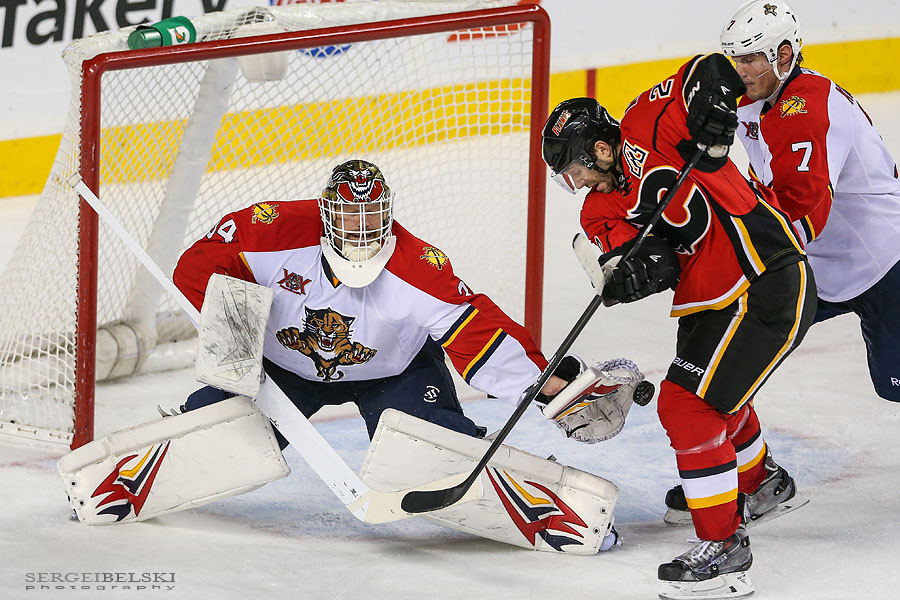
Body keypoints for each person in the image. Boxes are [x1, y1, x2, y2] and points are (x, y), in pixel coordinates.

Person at [541, 52, 816, 598]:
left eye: (576, 168)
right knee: (714, 398)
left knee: (687, 405)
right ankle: (760, 485)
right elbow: (652, 264)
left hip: (763, 272)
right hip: (710, 298)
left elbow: (708, 69)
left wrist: (715, 109)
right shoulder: (596, 212)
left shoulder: (648, 122)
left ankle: (724, 546)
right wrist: (624, 277)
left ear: (600, 147)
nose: (575, 181)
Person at [173, 159, 569, 446]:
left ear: (388, 214)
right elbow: (198, 270)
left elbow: (476, 329)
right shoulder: (272, 231)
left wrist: (545, 386)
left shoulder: (417, 265)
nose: (361, 228)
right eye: (348, 215)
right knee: (215, 439)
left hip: (395, 375)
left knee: (429, 453)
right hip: (279, 371)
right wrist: (238, 356)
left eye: (371, 215)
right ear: (326, 213)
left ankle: (463, 449)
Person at [721, 0, 900, 402]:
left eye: (750, 58)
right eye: (736, 59)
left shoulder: (807, 106)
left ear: (783, 54)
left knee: (896, 388)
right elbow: (768, 185)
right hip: (821, 263)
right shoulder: (754, 103)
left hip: (883, 262)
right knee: (738, 338)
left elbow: (802, 210)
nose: (741, 70)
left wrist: (734, 255)